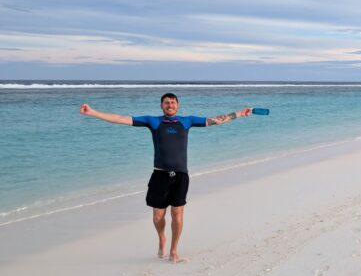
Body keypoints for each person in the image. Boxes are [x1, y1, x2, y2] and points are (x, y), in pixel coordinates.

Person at [80, 93, 252, 263]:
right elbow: (120, 118)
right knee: (157, 217)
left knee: (177, 214)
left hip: (180, 175)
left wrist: (239, 113)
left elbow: (215, 120)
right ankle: (162, 238)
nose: (170, 105)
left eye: (172, 102)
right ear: (161, 106)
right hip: (160, 175)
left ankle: (174, 250)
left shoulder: (187, 121)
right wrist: (93, 112)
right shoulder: (153, 121)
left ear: (178, 105)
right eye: (166, 103)